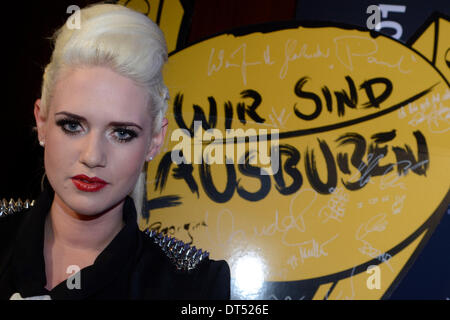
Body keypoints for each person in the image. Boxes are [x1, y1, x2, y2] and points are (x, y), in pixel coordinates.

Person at [0, 3, 230, 299]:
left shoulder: (194, 288)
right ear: (42, 122)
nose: (93, 156)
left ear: (155, 140)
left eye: (122, 133)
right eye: (72, 125)